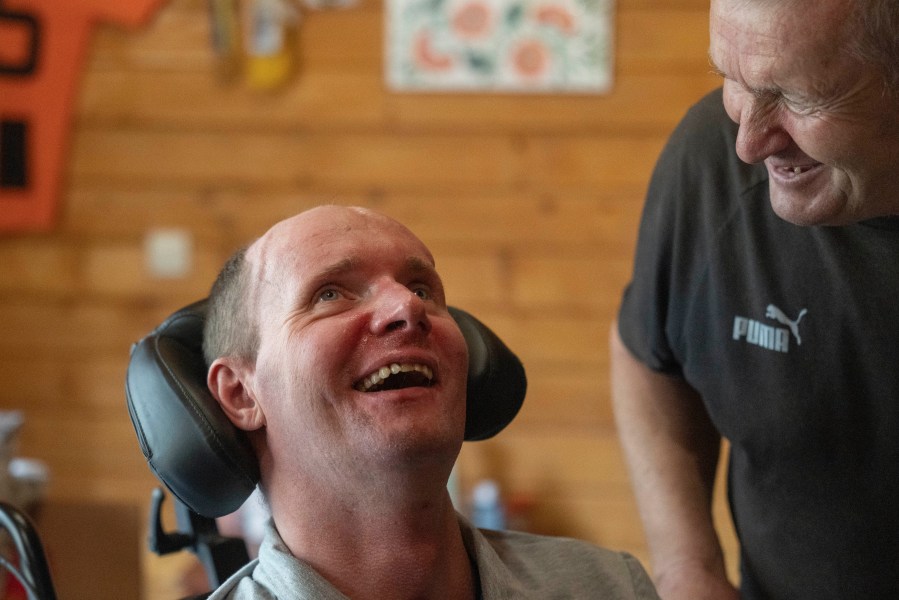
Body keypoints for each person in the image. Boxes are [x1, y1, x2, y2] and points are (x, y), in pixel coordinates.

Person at [202, 205, 660, 599]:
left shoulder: (610, 586)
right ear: (241, 393)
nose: (408, 307)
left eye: (421, 289)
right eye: (330, 294)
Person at [610, 0, 899, 598]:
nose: (748, 143)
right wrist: (687, 566)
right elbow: (645, 351)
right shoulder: (710, 157)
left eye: (797, 97)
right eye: (732, 81)